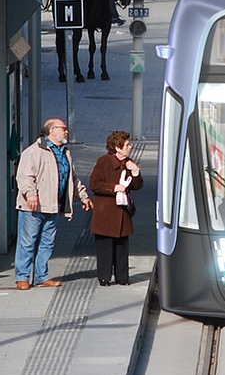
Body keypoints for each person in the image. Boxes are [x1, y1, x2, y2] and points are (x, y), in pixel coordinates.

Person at [14, 118, 90, 289]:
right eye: (63, 128)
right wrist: (31, 194)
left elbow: (71, 178)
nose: (66, 132)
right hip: (34, 206)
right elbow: (25, 176)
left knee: (47, 242)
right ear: (52, 130)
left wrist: (83, 196)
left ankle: (42, 276)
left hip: (54, 205)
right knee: (28, 241)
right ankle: (22, 277)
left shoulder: (65, 152)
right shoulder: (35, 151)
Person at [88, 130, 144, 286]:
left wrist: (135, 171)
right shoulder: (104, 162)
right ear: (117, 148)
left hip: (123, 212)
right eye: (126, 145)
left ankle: (122, 277)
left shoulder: (128, 163)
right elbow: (94, 184)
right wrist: (114, 188)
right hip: (106, 212)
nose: (130, 147)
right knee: (105, 247)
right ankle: (104, 277)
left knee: (122, 247)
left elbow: (138, 186)